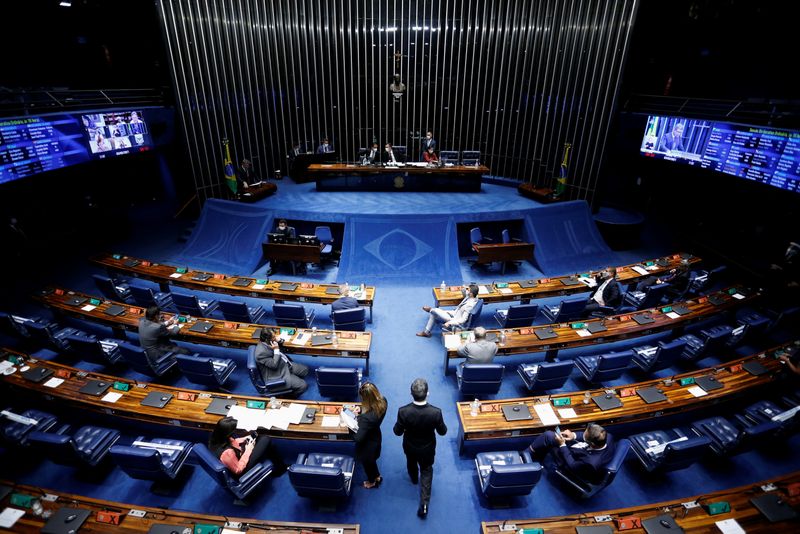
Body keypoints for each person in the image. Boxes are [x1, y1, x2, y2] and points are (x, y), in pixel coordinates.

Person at [393, 378, 447, 518]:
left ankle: (414, 479)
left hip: (410, 446)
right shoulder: (436, 412)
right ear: (427, 393)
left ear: (411, 393)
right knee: (427, 471)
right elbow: (443, 432)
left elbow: (397, 432)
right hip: (427, 449)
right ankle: (424, 504)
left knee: (411, 462)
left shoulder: (403, 411)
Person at [527, 423, 616, 484]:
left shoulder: (591, 462)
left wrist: (562, 445)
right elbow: (586, 437)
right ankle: (532, 453)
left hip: (574, 465)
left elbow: (573, 465)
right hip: (582, 453)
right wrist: (573, 435)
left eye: (585, 436)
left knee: (549, 437)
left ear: (592, 443)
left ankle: (525, 456)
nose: (583, 435)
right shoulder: (607, 437)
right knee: (551, 436)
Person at [208, 416, 287, 478]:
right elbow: (238, 470)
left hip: (236, 455)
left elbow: (231, 442)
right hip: (241, 470)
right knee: (265, 439)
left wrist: (244, 439)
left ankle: (280, 468)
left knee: (264, 442)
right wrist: (248, 450)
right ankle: (280, 468)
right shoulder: (227, 453)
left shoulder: (217, 437)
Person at [350, 382, 388, 488]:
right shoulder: (383, 401)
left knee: (368, 464)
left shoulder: (365, 418)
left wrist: (349, 424)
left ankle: (372, 482)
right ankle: (377, 476)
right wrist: (361, 410)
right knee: (372, 462)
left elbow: (358, 438)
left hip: (367, 447)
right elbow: (372, 410)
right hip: (375, 436)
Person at [254, 328, 309, 397]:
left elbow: (279, 343)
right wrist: (276, 350)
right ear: (267, 339)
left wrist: (279, 340)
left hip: (285, 364)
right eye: (274, 337)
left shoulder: (269, 342)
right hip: (276, 373)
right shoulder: (261, 353)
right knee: (303, 386)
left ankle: (293, 378)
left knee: (305, 370)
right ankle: (287, 396)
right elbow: (274, 365)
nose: (275, 337)